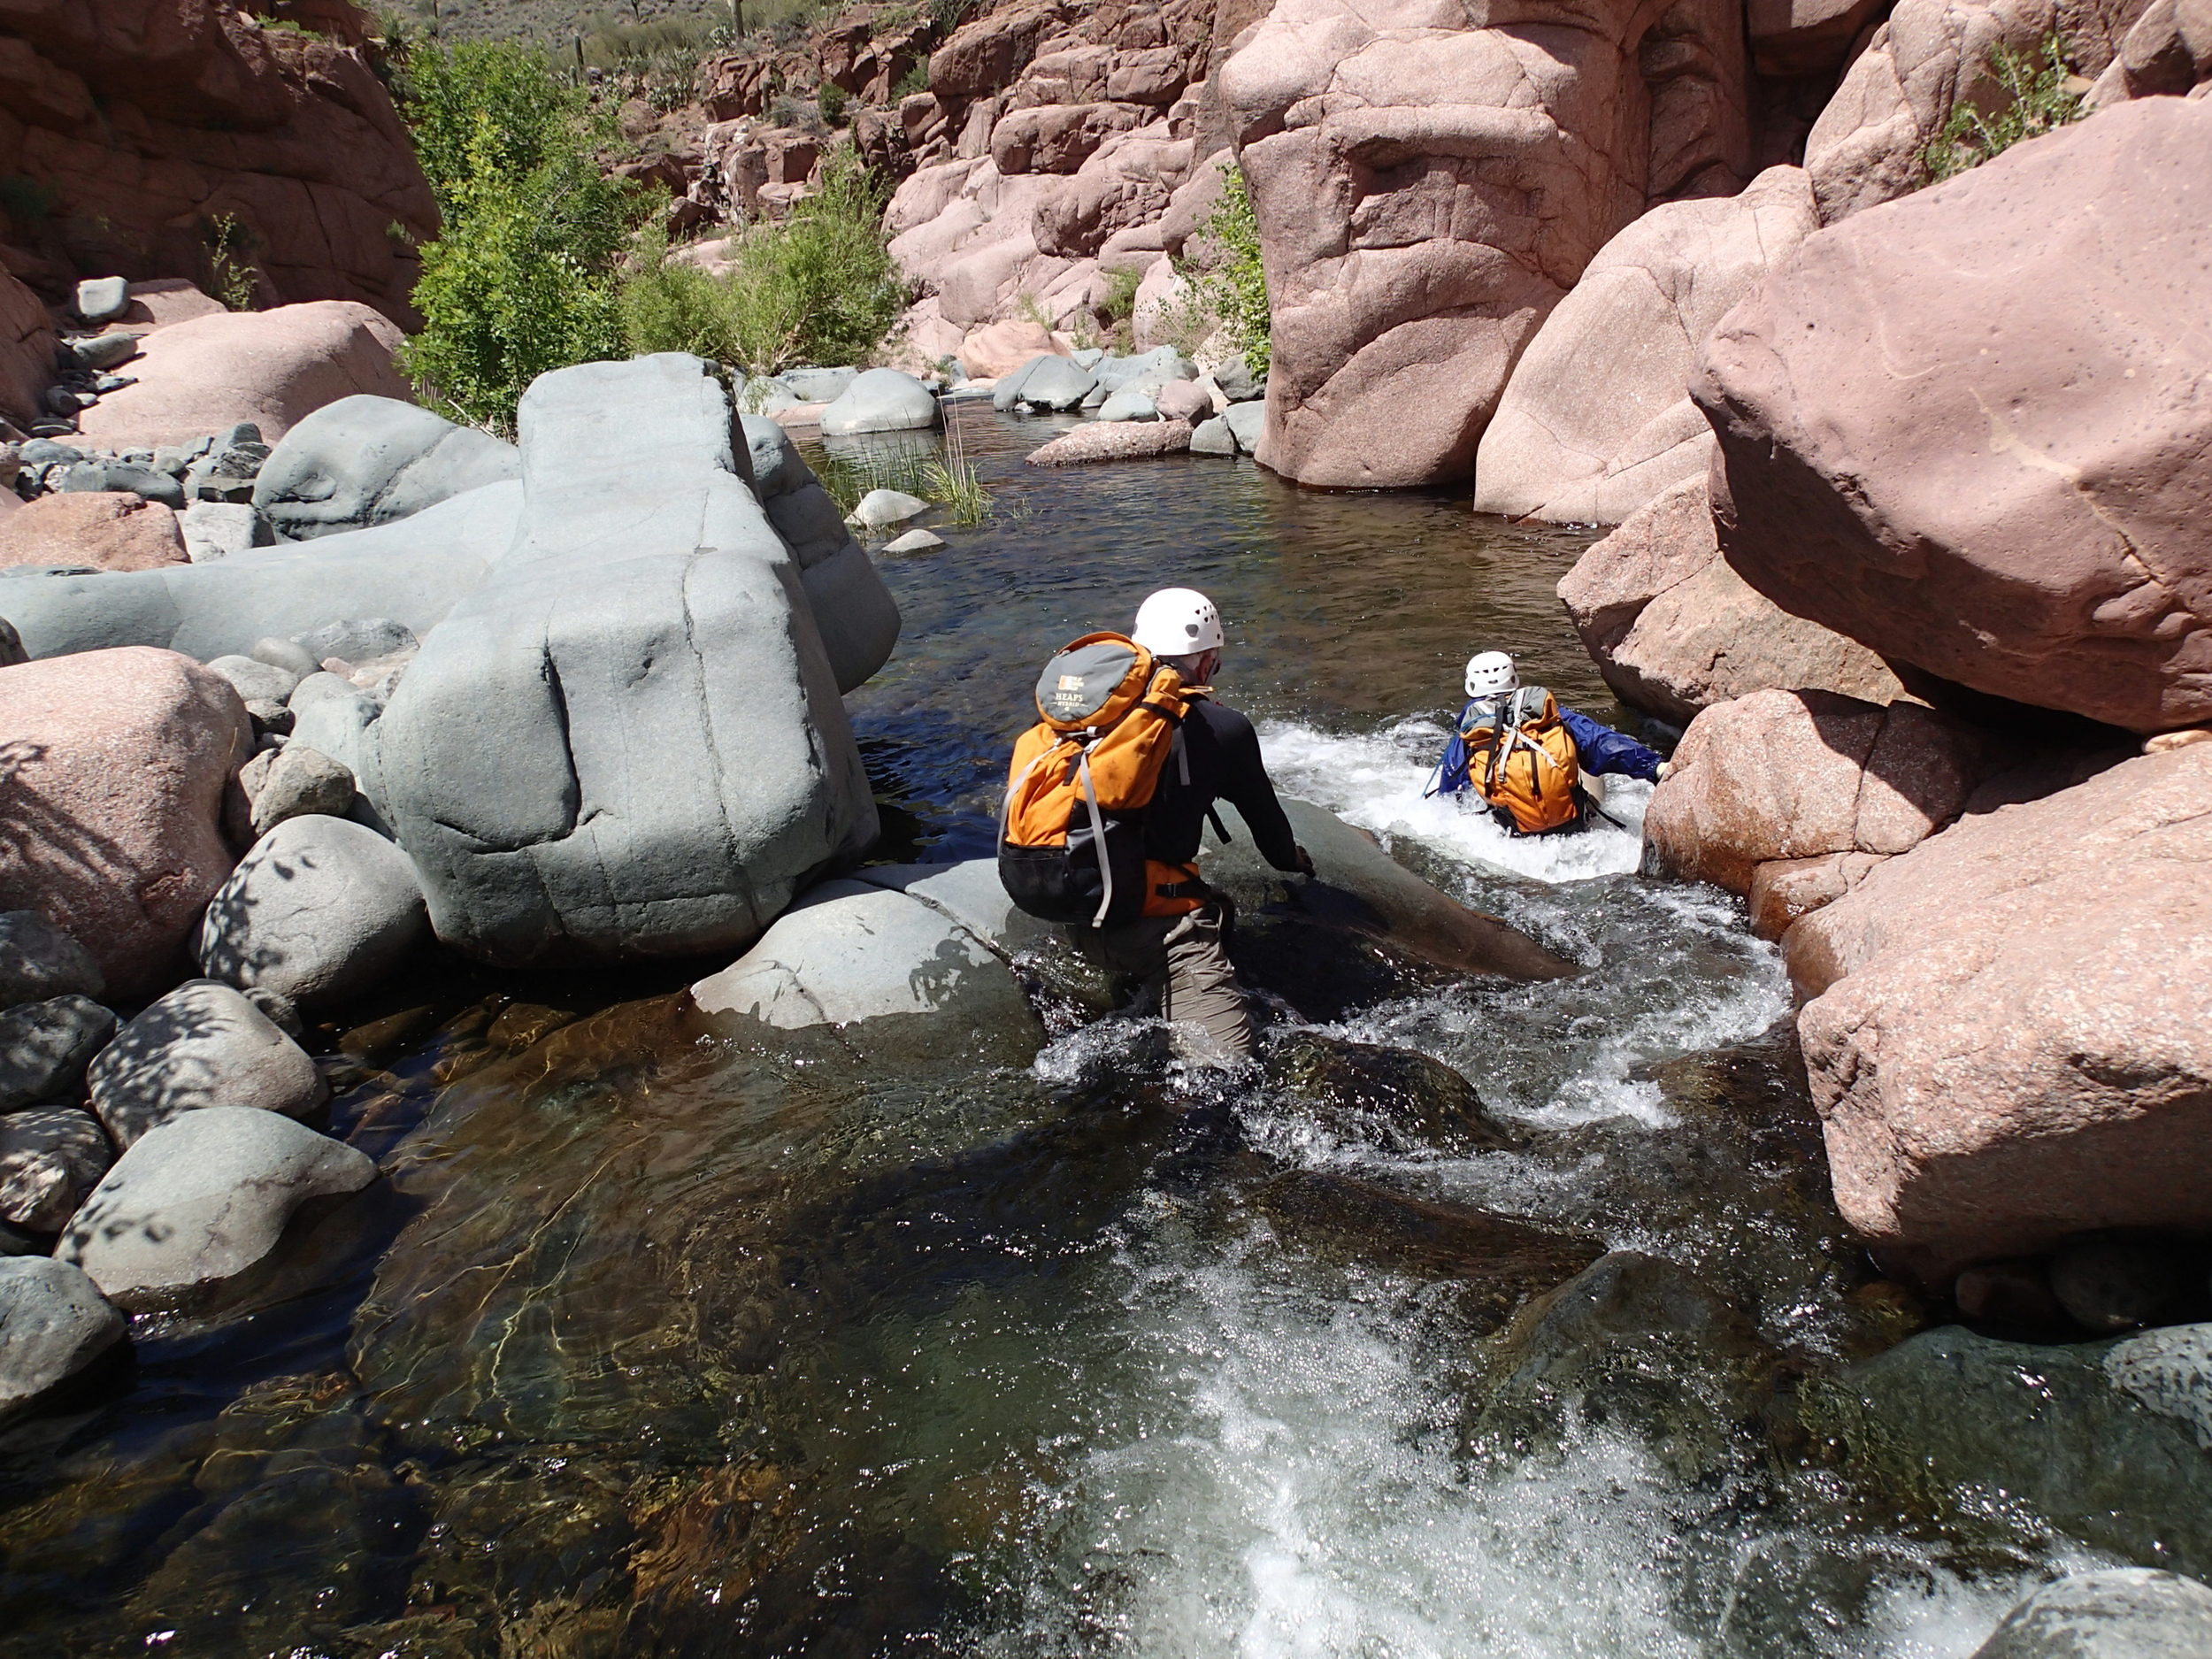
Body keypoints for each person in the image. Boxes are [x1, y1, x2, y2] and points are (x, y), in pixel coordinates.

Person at [1064, 587, 1312, 1064]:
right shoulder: (1224, 729)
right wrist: (1296, 861)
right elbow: (1273, 840)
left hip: (1070, 904)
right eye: (1214, 660)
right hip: (1154, 929)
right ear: (1205, 662)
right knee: (1225, 1076)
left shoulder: (1091, 713)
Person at [1429, 649, 1671, 834]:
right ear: (1514, 679)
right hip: (1571, 826)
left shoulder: (1471, 731)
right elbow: (1601, 742)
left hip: (1512, 830)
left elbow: (1449, 792)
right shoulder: (1547, 713)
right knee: (1589, 764)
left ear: (1470, 685)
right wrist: (1655, 767)